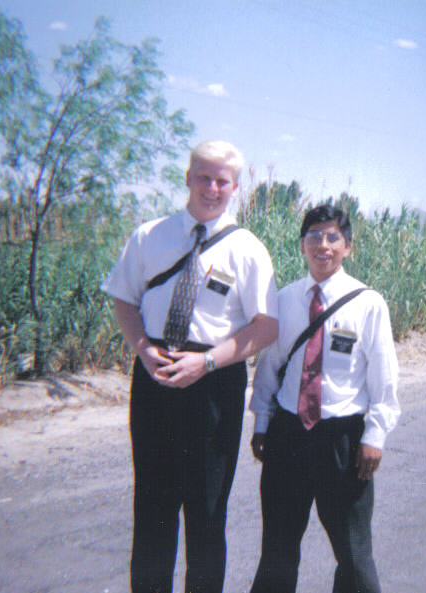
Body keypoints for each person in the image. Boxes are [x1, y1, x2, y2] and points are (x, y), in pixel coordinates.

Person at [102, 140, 278, 593]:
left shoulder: (248, 250)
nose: (212, 188)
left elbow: (265, 327)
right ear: (187, 177)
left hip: (213, 382)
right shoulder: (149, 235)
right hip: (154, 374)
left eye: (223, 181)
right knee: (153, 504)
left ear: (236, 187)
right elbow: (124, 299)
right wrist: (142, 349)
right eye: (204, 177)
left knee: (206, 510)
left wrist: (207, 361)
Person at [248, 204, 400, 593]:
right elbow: (270, 367)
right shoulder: (284, 299)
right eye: (314, 236)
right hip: (288, 433)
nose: (323, 245)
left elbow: (383, 378)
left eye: (333, 237)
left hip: (342, 439)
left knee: (353, 554)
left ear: (347, 246)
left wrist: (374, 437)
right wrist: (262, 423)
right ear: (302, 245)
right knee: (278, 550)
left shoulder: (368, 304)